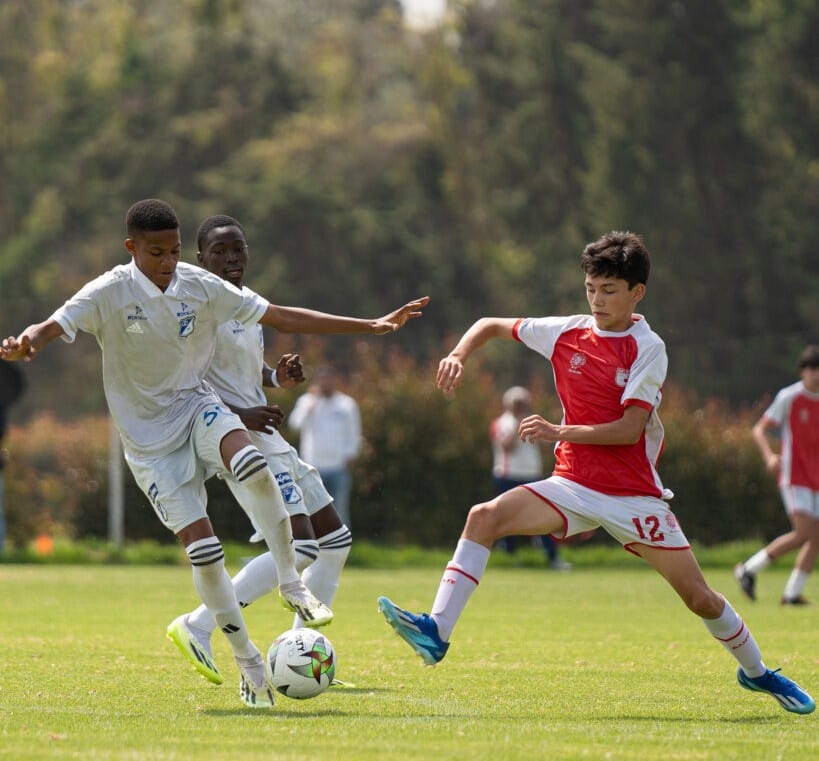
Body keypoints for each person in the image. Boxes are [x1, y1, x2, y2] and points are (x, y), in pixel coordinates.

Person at [1, 198, 428, 709]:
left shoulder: (200, 287)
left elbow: (283, 316)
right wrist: (28, 342)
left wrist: (370, 326)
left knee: (254, 467)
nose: (167, 262)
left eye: (174, 250)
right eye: (156, 252)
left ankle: (291, 583)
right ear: (131, 248)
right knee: (206, 554)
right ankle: (247, 662)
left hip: (197, 407)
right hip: (150, 445)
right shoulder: (109, 291)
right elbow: (52, 325)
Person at [377, 230, 815, 715]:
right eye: (591, 288)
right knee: (484, 516)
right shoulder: (567, 331)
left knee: (700, 598)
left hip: (633, 496)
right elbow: (490, 323)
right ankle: (437, 633)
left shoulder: (648, 348)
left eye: (609, 290)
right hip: (571, 486)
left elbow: (629, 430)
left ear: (636, 293)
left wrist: (556, 431)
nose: (597, 299)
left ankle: (758, 673)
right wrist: (459, 353)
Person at [170, 215, 354, 683]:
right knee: (304, 547)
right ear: (200, 260)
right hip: (235, 437)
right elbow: (187, 383)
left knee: (334, 541)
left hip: (266, 435)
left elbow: (243, 378)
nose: (232, 258)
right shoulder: (196, 312)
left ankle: (299, 653)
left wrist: (277, 379)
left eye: (239, 249)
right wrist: (240, 414)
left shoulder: (245, 306)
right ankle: (197, 624)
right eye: (220, 251)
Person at [734, 345, 819, 606]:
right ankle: (748, 570)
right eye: (812, 369)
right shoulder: (790, 397)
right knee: (804, 532)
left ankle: (792, 593)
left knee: (816, 537)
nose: (817, 375)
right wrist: (769, 457)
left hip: (816, 478)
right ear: (803, 371)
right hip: (794, 477)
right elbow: (759, 429)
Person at [491, 385, 570, 569]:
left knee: (544, 518)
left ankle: (552, 557)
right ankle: (509, 558)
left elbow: (544, 447)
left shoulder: (534, 422)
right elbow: (506, 446)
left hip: (532, 475)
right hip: (508, 474)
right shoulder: (501, 423)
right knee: (507, 519)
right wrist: (517, 425)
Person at [288, 365, 361, 528]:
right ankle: (314, 548)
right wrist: (310, 406)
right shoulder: (307, 402)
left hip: (338, 467)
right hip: (311, 467)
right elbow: (294, 424)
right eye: (322, 379)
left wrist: (351, 454)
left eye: (329, 379)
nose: (326, 383)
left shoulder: (346, 404)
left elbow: (354, 433)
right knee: (311, 510)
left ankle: (341, 549)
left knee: (340, 510)